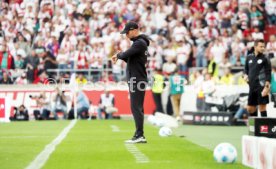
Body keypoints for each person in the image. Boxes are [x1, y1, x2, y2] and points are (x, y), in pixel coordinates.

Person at [111, 21, 150, 144]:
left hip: (136, 79)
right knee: (137, 108)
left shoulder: (139, 43)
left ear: (134, 30)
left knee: (136, 108)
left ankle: (140, 135)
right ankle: (139, 134)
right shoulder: (139, 43)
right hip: (137, 78)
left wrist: (118, 55)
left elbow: (126, 54)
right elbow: (129, 59)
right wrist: (120, 55)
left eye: (127, 32)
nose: (126, 35)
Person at [244, 39, 272, 117]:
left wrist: (266, 87)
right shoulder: (249, 57)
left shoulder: (265, 58)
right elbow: (245, 70)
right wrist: (245, 75)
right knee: (250, 108)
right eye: (261, 46)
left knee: (262, 107)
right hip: (252, 87)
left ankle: (264, 127)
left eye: (264, 46)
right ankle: (255, 126)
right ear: (255, 47)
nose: (263, 48)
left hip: (261, 86)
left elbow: (268, 73)